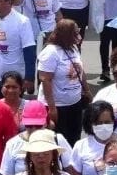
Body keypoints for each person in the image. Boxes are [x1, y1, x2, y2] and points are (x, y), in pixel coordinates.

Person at [36, 19, 88, 147]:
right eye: (75, 33)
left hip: (74, 104)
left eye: (78, 32)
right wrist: (52, 108)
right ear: (66, 34)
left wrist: (86, 90)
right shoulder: (50, 52)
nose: (79, 36)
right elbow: (45, 80)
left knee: (74, 137)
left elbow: (80, 70)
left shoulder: (73, 47)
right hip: (57, 107)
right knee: (59, 141)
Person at [9, 128, 75, 175]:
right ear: (30, 156)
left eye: (46, 153)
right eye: (36, 153)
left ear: (53, 155)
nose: (41, 156)